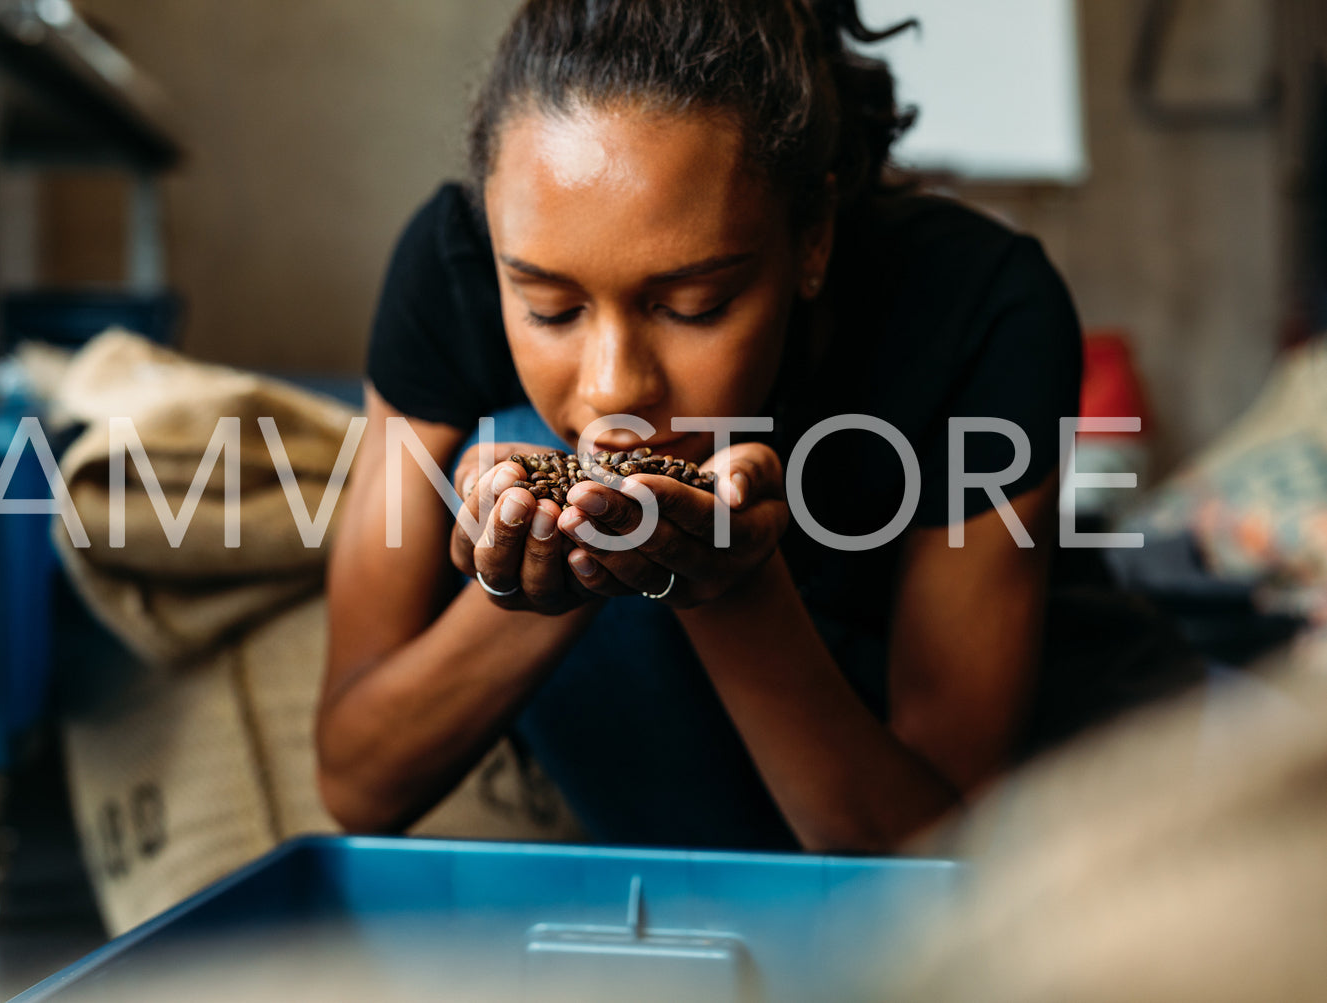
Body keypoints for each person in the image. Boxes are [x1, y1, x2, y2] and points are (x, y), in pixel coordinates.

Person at [315, 0, 1198, 853]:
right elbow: (358, 781)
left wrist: (730, 585)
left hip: (1017, 785)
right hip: (702, 779)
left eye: (694, 305)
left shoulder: (976, 307)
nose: (614, 386)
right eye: (550, 309)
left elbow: (932, 855)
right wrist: (562, 573)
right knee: (505, 440)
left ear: (809, 238)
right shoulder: (451, 271)